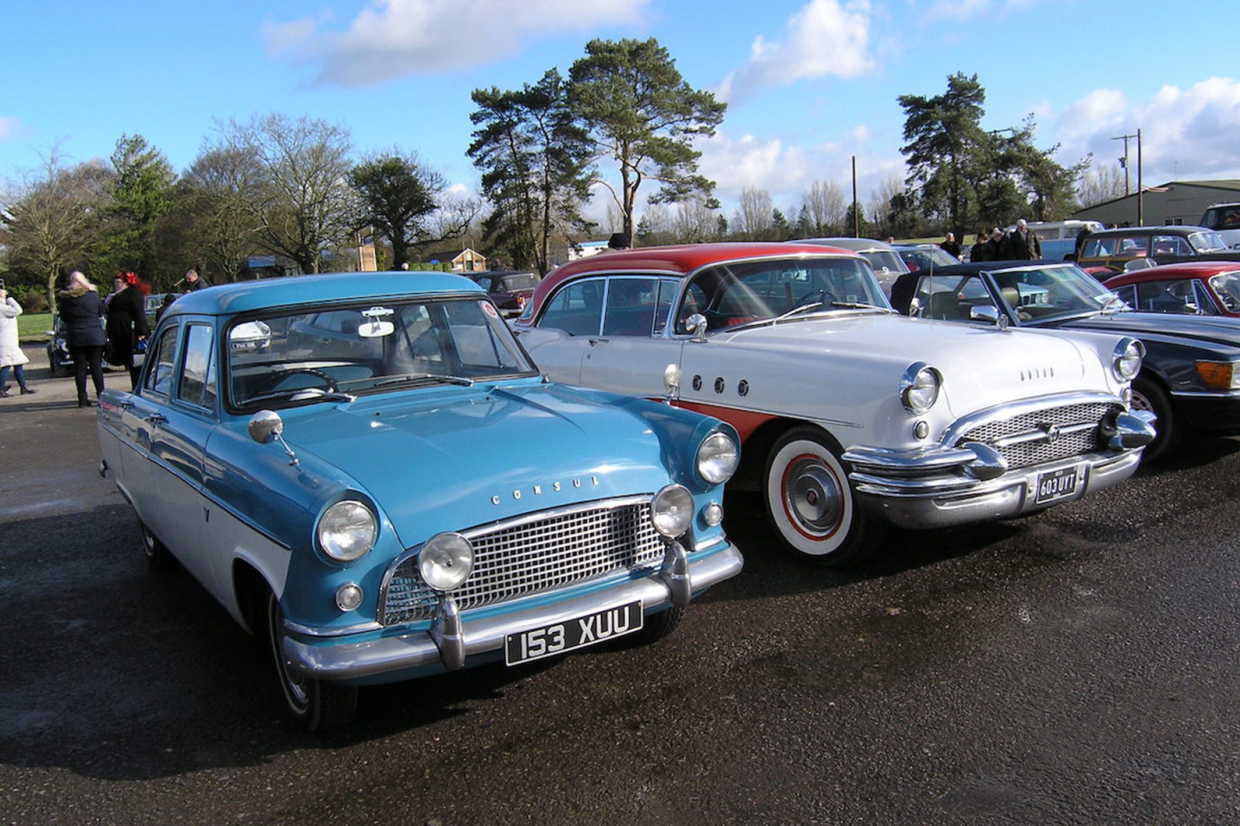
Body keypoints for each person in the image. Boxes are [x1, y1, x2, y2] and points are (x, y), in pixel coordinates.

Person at [58, 271, 107, 407]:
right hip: (94, 334)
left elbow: (63, 317)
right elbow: (101, 312)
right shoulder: (93, 296)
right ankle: (100, 395)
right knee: (96, 366)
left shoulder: (65, 299)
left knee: (80, 368)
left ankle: (82, 398)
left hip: (75, 335)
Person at [105, 271, 149, 390]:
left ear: (126, 282)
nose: (116, 285)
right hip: (119, 332)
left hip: (130, 331)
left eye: (118, 282)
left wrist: (142, 331)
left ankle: (138, 386)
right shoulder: (116, 295)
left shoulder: (133, 294)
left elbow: (139, 313)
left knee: (135, 361)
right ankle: (135, 386)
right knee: (129, 362)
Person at [0, 286, 36, 397]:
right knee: (6, 364)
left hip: (9, 340)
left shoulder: (3, 306)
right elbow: (18, 310)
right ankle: (0, 389)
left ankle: (23, 386)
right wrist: (9, 298)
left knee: (18, 363)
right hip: (6, 341)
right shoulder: (2, 307)